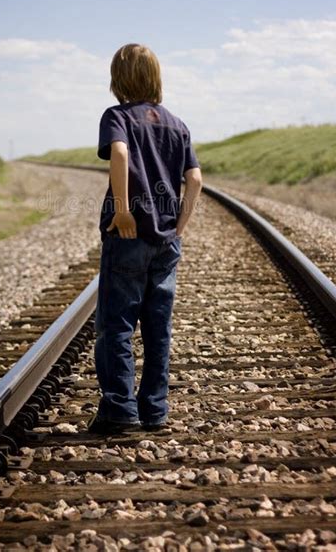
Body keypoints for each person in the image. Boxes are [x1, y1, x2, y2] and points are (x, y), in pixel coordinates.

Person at [88, 43, 202, 435]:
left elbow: (119, 154)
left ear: (118, 79)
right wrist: (180, 227)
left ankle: (120, 409)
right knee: (158, 326)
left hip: (128, 233)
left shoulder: (117, 116)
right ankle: (154, 410)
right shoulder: (177, 124)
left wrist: (122, 209)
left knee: (116, 324)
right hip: (166, 240)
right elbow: (196, 180)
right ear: (156, 78)